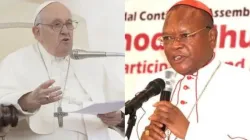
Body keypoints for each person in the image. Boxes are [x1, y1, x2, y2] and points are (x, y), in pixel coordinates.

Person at [0, 1, 124, 140]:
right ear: (37, 32)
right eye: (57, 24)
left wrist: (118, 118)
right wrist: (29, 100)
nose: (65, 31)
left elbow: (124, 105)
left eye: (69, 23)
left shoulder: (91, 60)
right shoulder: (15, 61)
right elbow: (3, 107)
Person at [133, 0, 250, 140]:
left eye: (185, 35)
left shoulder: (242, 82)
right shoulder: (150, 85)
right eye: (167, 38)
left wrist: (188, 132)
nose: (175, 45)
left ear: (211, 37)